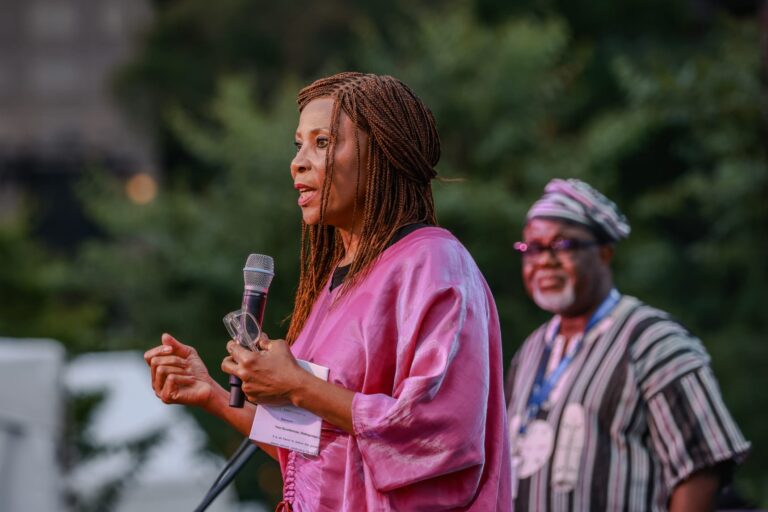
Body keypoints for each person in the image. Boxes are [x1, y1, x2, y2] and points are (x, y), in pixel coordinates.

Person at [144, 72, 512, 511]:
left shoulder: (434, 265)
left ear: (382, 153)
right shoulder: (340, 281)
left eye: (322, 143)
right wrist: (213, 394)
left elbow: (442, 436)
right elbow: (310, 455)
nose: (298, 162)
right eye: (298, 144)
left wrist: (297, 385)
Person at [505, 178, 750, 511]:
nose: (545, 260)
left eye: (563, 246)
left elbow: (702, 466)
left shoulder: (655, 342)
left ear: (604, 252)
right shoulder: (531, 351)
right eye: (533, 248)